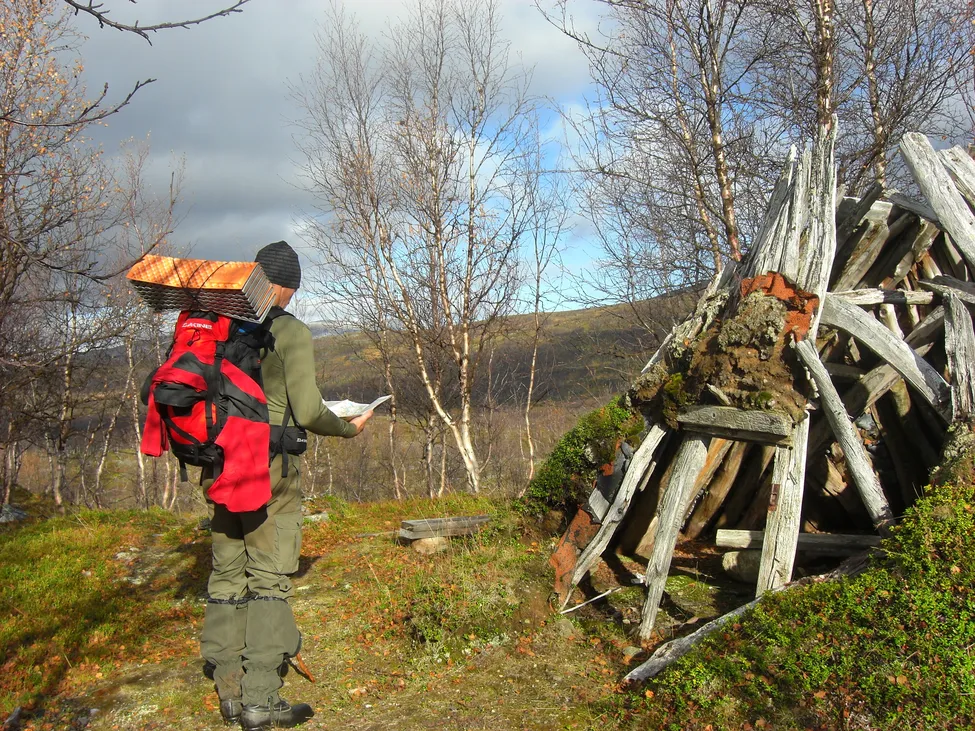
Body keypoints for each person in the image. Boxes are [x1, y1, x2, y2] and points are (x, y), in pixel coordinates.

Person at [200, 241, 372, 729]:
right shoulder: (289, 331)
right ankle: (261, 699)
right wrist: (349, 426)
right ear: (285, 287)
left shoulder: (222, 324)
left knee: (228, 570)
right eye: (292, 289)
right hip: (268, 465)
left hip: (219, 459)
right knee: (269, 576)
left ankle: (229, 688)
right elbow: (311, 409)